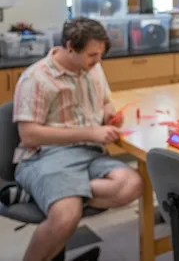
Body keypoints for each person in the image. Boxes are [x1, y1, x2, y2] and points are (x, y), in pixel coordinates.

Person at [10, 17, 143, 261]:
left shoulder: (93, 68)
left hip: (89, 153)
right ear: (70, 47)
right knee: (66, 216)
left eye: (100, 54)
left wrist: (109, 115)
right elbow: (28, 136)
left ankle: (51, 192)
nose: (98, 61)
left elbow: (104, 102)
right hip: (45, 156)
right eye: (92, 55)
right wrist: (90, 132)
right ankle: (55, 194)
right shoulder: (37, 78)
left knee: (132, 184)